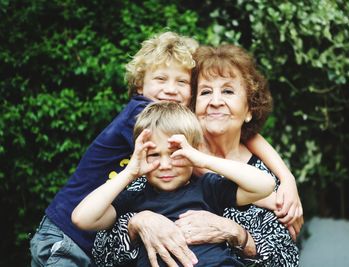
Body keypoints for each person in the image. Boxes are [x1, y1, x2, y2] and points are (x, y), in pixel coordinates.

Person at [93, 44, 302, 266]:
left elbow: (285, 259)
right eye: (205, 92)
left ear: (250, 109)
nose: (215, 101)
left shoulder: (266, 177)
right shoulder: (168, 157)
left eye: (228, 91)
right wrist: (138, 224)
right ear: (192, 106)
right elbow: (100, 249)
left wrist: (238, 235)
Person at [29, 31, 199, 267]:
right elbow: (197, 158)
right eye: (161, 79)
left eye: (181, 82)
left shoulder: (167, 119)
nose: (171, 89)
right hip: (65, 236)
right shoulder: (141, 115)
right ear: (140, 84)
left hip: (92, 242)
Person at [72, 101, 276, 267]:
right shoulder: (134, 199)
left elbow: (264, 185)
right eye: (153, 155)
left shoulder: (207, 188)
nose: (165, 165)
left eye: (175, 154)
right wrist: (130, 172)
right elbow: (83, 218)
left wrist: (202, 160)